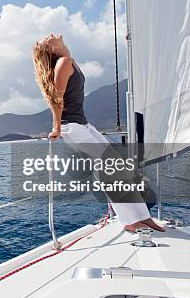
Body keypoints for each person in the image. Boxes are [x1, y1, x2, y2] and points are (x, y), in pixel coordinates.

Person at [33, 33, 164, 232]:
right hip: (72, 127)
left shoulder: (70, 61)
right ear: (51, 49)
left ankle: (143, 217)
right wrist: (57, 127)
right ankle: (130, 221)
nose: (50, 35)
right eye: (46, 39)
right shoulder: (63, 62)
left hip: (83, 125)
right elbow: (55, 99)